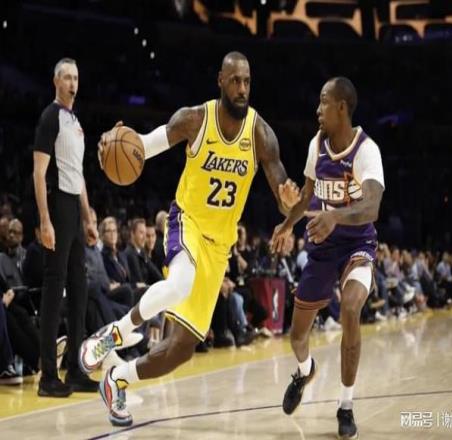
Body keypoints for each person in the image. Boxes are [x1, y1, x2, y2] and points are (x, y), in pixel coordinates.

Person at [79, 51, 299, 427]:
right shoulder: (195, 119)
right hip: (188, 222)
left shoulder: (261, 134)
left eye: (247, 81)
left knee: (180, 350)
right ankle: (113, 334)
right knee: (180, 283)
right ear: (220, 80)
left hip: (219, 245)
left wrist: (289, 203)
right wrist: (113, 143)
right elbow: (143, 146)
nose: (242, 88)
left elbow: (281, 191)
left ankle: (116, 380)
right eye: (235, 80)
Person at [271, 77, 384, 439]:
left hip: (357, 244)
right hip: (322, 246)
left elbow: (372, 206)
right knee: (296, 336)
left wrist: (335, 216)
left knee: (350, 309)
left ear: (342, 108)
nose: (317, 109)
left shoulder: (366, 150)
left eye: (324, 102)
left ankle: (346, 406)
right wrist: (287, 224)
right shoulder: (316, 144)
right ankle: (305, 371)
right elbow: (306, 195)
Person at [33, 57, 98, 397]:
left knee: (79, 290)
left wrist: (87, 217)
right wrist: (45, 219)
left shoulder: (75, 122)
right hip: (57, 205)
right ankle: (47, 377)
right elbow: (38, 173)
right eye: (67, 77)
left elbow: (79, 173)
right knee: (54, 288)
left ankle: (74, 369)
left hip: (74, 206)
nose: (73, 83)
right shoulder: (51, 117)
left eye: (76, 77)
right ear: (56, 81)